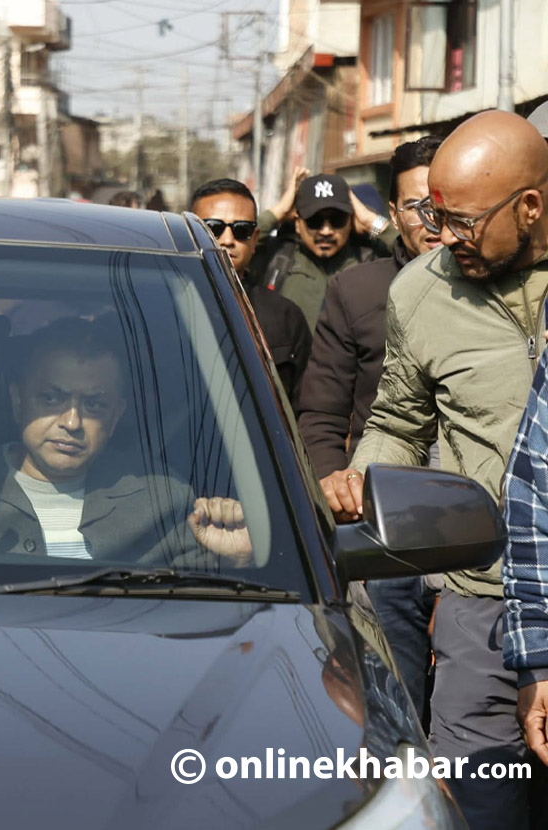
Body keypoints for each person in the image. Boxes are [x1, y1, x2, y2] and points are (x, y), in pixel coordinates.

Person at [321, 110, 548, 830]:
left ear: (531, 205)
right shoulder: (421, 292)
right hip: (480, 606)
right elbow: (397, 421)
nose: (445, 237)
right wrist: (365, 480)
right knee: (476, 808)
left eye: (465, 221)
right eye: (433, 216)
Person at [0, 318, 253, 565]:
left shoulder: (162, 499)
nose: (72, 422)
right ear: (17, 401)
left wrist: (240, 559)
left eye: (94, 405)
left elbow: (207, 603)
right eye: (51, 398)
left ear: (116, 415)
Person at [297, 135, 444, 725]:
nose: (431, 220)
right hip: (382, 518)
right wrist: (335, 484)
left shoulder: (502, 291)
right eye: (415, 206)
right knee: (393, 698)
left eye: (442, 203)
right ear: (393, 212)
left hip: (480, 519)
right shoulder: (357, 291)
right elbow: (322, 412)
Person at [190, 178, 311, 407]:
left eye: (241, 230)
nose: (227, 240)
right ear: (190, 233)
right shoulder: (162, 308)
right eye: (212, 228)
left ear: (255, 240)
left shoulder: (285, 316)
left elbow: (307, 408)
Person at [253, 171, 398, 330]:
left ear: (351, 221)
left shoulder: (370, 260)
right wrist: (277, 213)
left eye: (337, 220)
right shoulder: (277, 256)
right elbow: (236, 248)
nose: (326, 231)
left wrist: (371, 223)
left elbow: (414, 257)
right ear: (297, 223)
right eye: (314, 221)